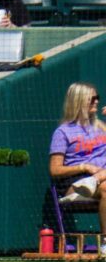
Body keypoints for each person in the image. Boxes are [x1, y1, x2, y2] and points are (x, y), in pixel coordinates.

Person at [49, 81, 106, 233]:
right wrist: (84, 167)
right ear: (80, 101)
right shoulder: (63, 132)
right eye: (92, 98)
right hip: (77, 183)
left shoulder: (102, 128)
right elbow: (55, 170)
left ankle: (96, 178)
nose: (97, 101)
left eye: (97, 97)